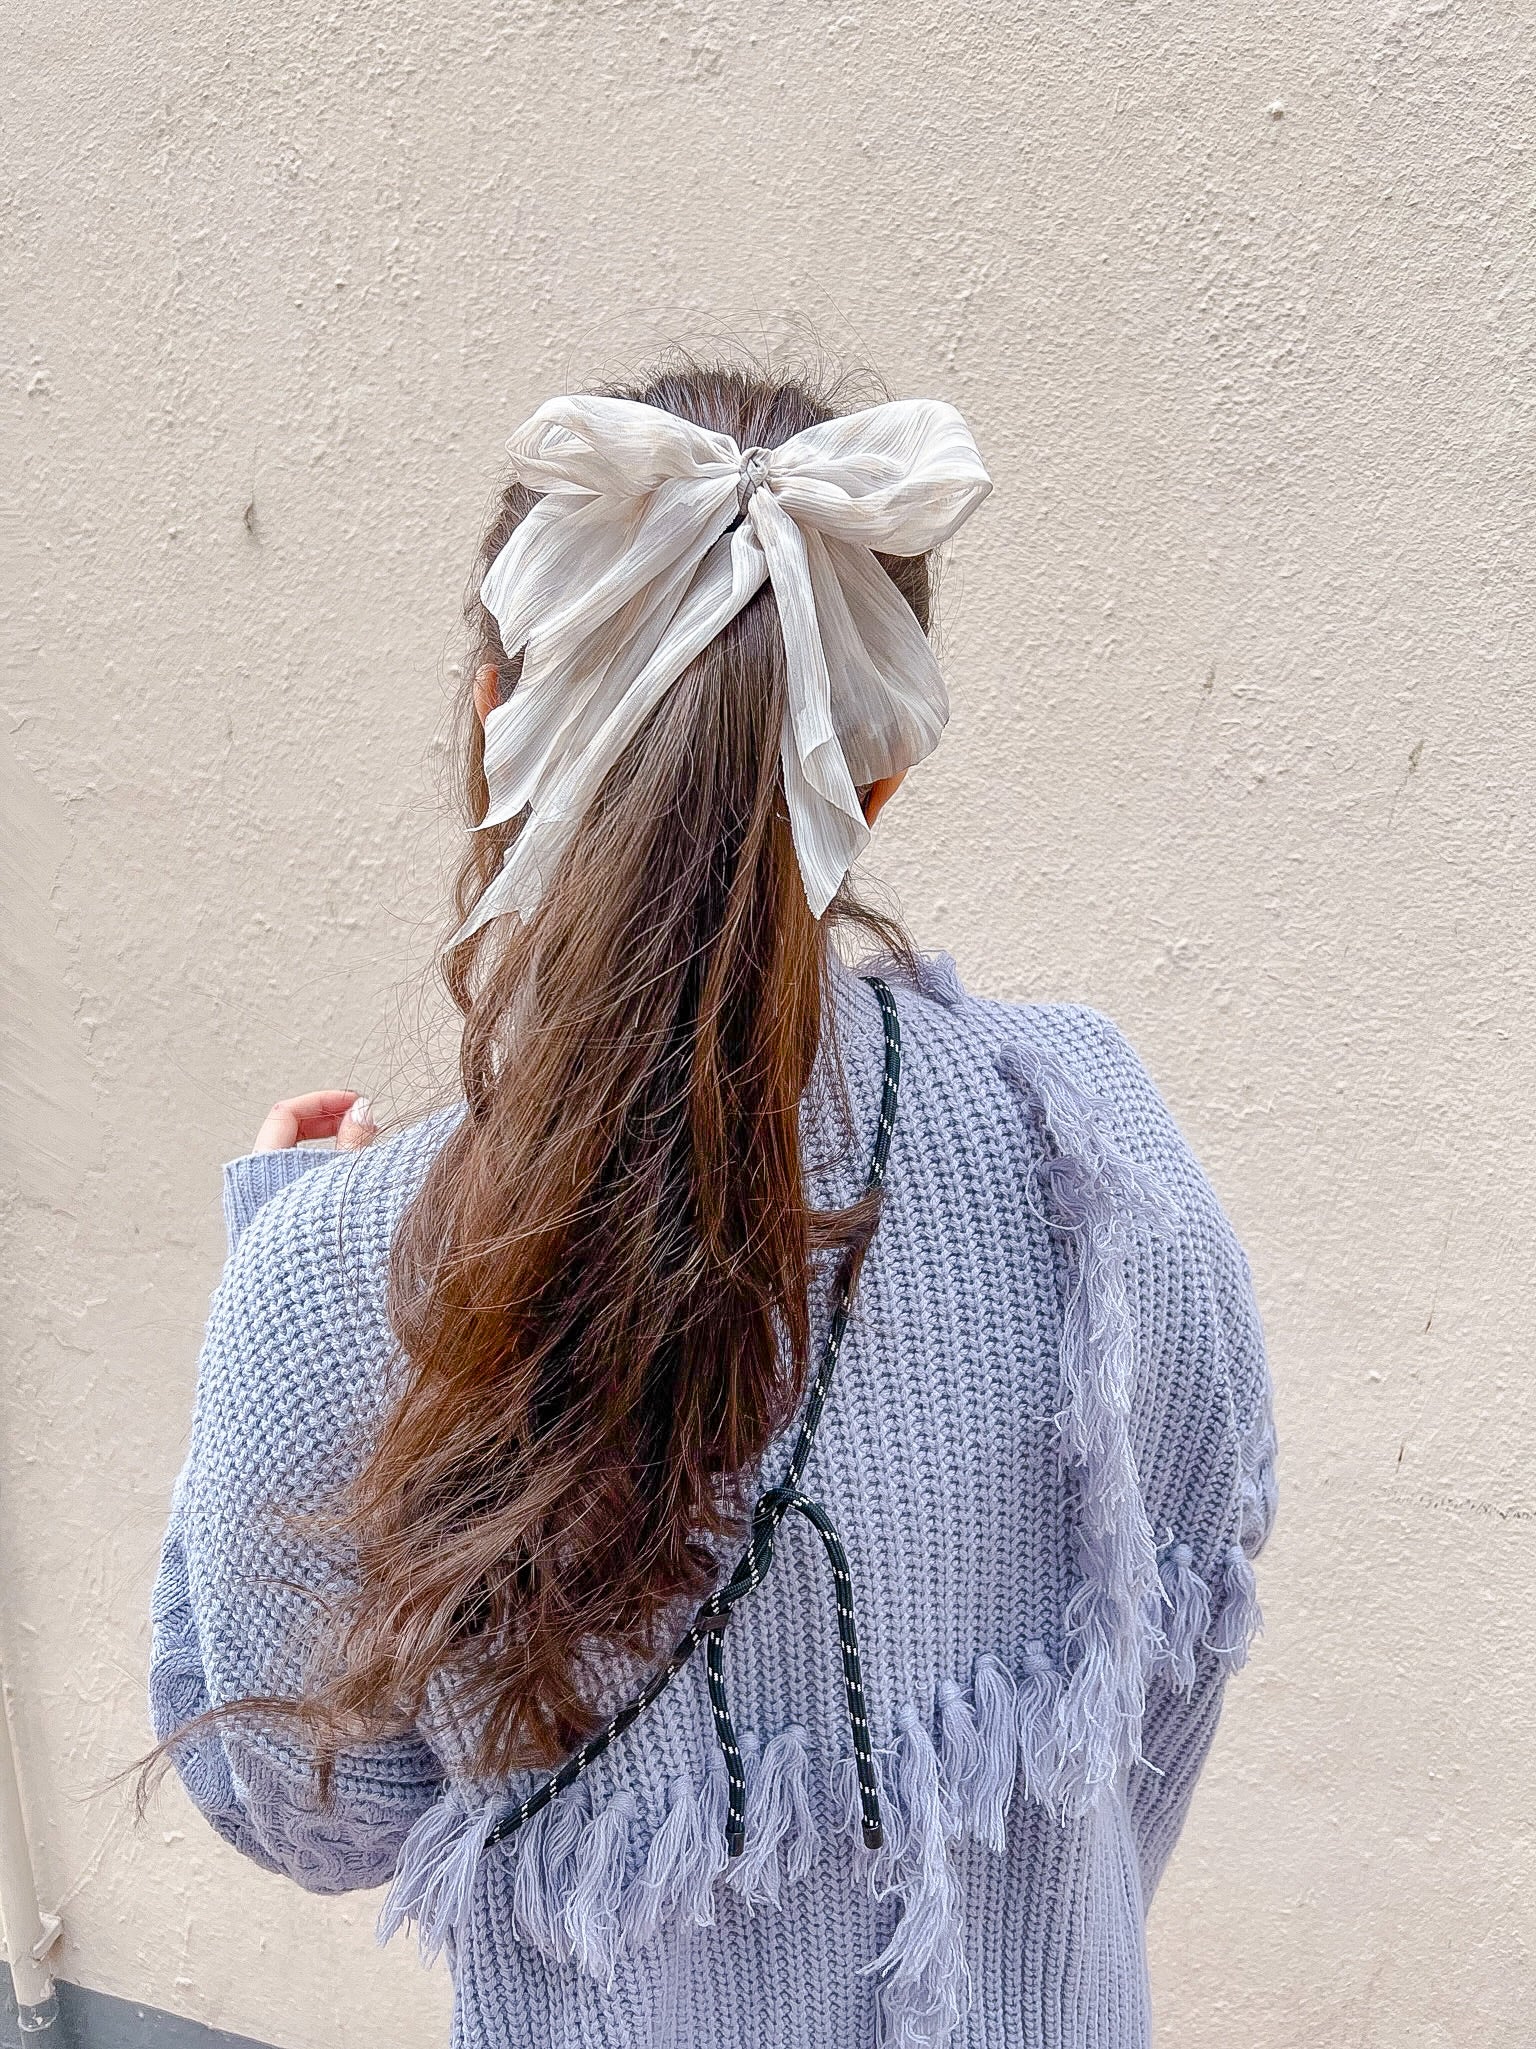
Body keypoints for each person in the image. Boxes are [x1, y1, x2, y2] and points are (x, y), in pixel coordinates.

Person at [145, 360, 1277, 2049]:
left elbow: (301, 1797)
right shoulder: (1086, 1139)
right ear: (876, 774)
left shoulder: (336, 1280)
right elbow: (1173, 1635)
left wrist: (286, 1256)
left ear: (494, 715)